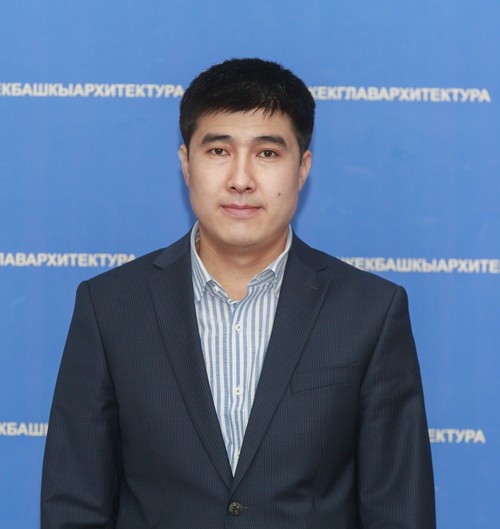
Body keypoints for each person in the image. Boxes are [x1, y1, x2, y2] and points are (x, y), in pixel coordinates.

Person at [41, 58, 436, 529]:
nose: (241, 179)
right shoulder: (110, 306)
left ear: (302, 168)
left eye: (267, 153)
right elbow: (74, 504)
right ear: (186, 164)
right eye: (218, 151)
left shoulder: (370, 310)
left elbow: (399, 509)